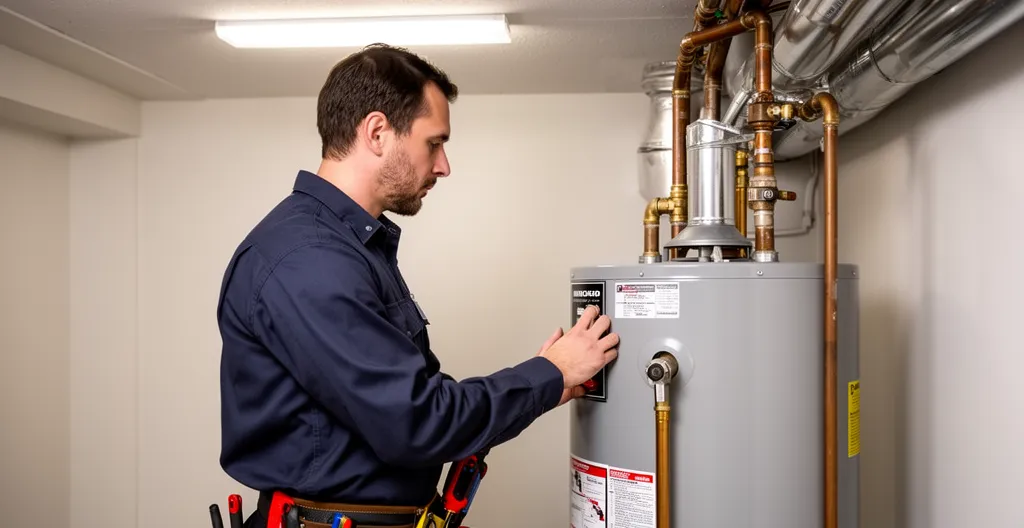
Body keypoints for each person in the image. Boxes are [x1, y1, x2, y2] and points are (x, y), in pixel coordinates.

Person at [215, 43, 619, 528]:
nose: (444, 165)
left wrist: (552, 381)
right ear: (378, 132)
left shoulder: (347, 247)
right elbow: (416, 421)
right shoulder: (308, 260)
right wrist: (548, 373)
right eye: (434, 142)